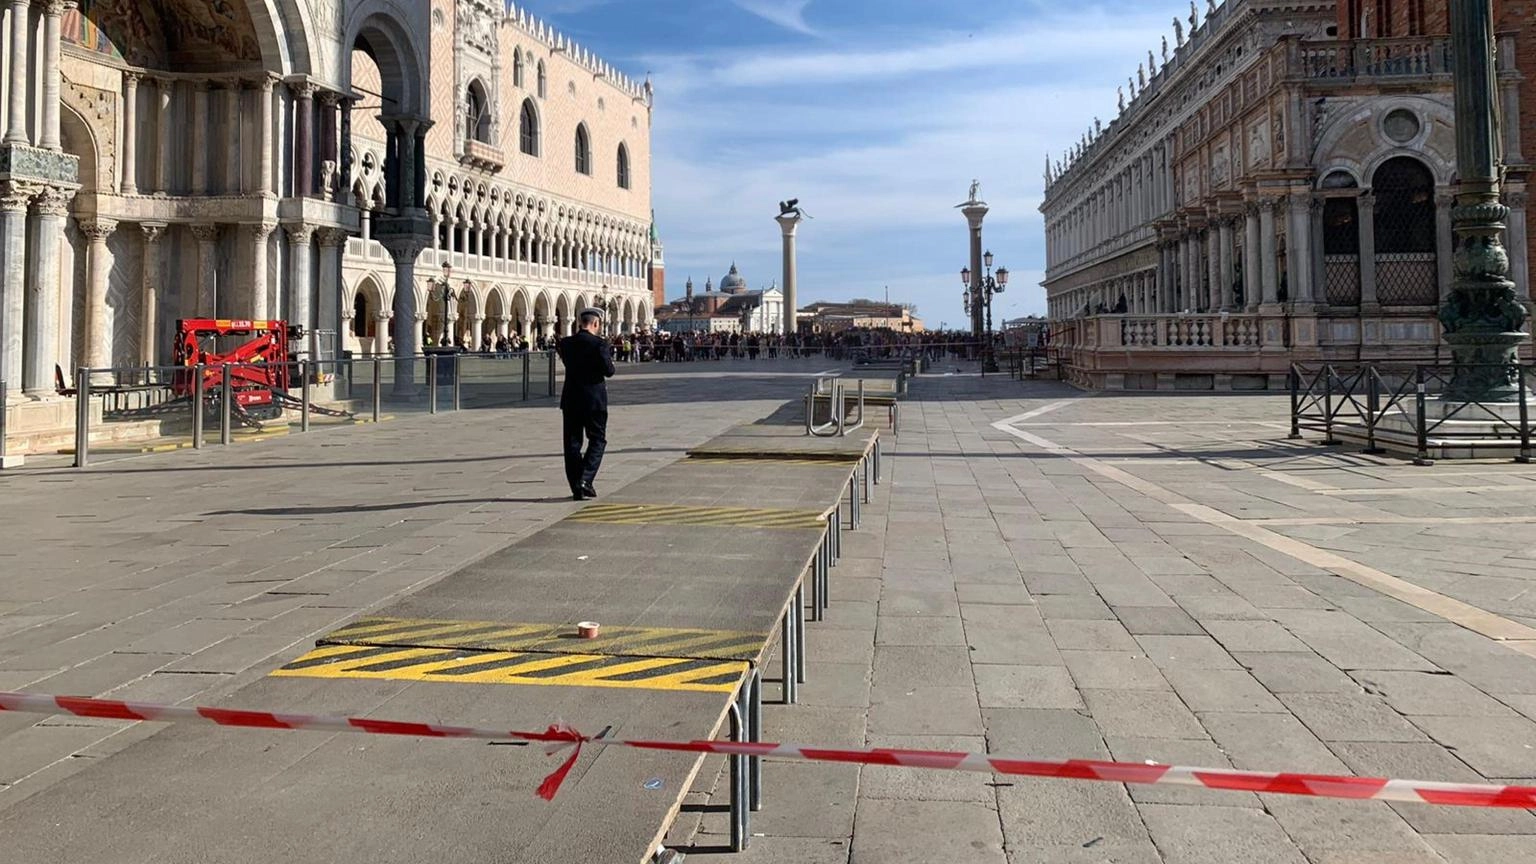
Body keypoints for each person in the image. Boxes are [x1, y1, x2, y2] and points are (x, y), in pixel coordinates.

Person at [557, 307, 615, 501]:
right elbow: (609, 371)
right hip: (594, 400)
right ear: (596, 323)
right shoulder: (599, 344)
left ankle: (577, 486)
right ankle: (585, 480)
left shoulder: (565, 344)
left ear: (580, 322)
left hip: (571, 399)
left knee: (572, 443)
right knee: (598, 439)